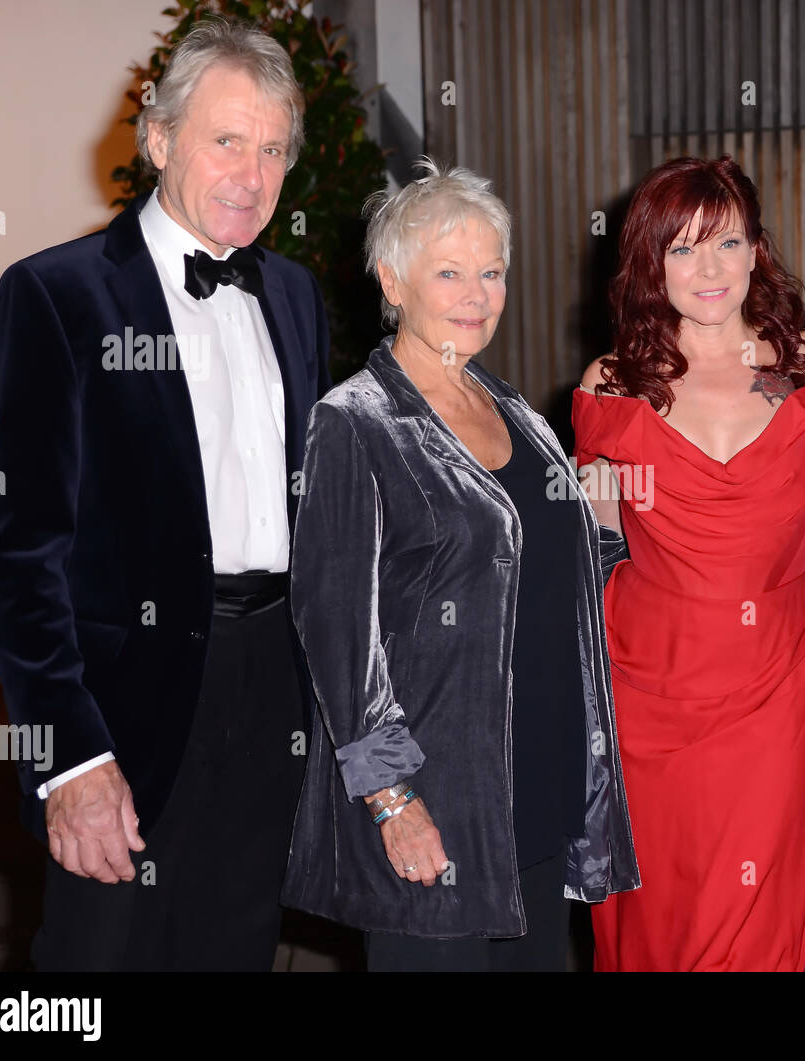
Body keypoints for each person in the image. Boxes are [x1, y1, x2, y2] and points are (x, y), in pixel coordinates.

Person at [0, 18, 331, 970]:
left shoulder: (296, 297)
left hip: (269, 690)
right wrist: (72, 759)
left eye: (271, 151)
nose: (251, 176)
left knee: (235, 945)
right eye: (227, 141)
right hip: (123, 706)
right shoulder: (55, 295)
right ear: (161, 138)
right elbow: (23, 567)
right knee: (94, 966)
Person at [282, 159, 638, 972]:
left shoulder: (514, 408)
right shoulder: (356, 423)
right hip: (436, 799)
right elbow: (335, 632)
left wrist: (604, 528)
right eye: (449, 272)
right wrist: (393, 798)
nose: (477, 294)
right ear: (392, 278)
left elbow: (543, 578)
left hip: (538, 787)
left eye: (492, 271)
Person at [573, 155, 805, 971]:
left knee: (753, 903)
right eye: (682, 248)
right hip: (649, 687)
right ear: (649, 263)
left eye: (726, 242)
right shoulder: (617, 384)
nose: (708, 269)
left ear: (756, 250)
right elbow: (593, 536)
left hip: (776, 683)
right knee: (660, 909)